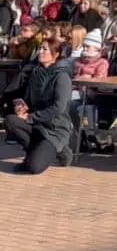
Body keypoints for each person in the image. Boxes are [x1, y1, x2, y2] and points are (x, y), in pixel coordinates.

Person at [4, 39, 73, 174]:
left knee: (34, 168)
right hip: (37, 125)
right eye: (40, 48)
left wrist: (30, 117)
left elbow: (58, 107)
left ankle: (62, 150)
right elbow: (30, 99)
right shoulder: (36, 72)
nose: (40, 52)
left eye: (44, 49)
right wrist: (22, 105)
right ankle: (31, 153)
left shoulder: (62, 76)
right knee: (10, 121)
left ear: (56, 54)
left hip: (54, 128)